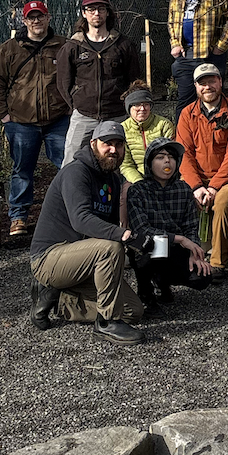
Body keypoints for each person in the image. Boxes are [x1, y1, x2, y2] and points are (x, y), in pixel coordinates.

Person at [29, 120, 146, 344]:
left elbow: (106, 226)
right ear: (93, 144)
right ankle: (106, 323)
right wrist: (123, 235)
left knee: (133, 311)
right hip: (49, 258)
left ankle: (58, 298)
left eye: (118, 144)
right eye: (107, 143)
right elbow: (80, 220)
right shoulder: (76, 172)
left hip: (86, 261)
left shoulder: (113, 180)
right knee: (110, 247)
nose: (113, 150)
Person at [0, 0, 70, 236]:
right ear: (24, 21)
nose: (36, 21)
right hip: (21, 122)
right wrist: (3, 115)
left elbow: (77, 77)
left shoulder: (64, 46)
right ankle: (18, 217)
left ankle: (68, 213)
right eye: (31, 17)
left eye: (40, 16)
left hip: (58, 120)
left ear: (48, 18)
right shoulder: (10, 49)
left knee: (68, 166)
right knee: (22, 171)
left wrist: (71, 107)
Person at [177, 62, 228, 274]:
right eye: (202, 83)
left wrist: (214, 187)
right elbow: (184, 154)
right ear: (196, 86)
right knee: (177, 198)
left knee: (223, 203)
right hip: (196, 178)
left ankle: (217, 263)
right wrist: (196, 186)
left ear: (220, 82)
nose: (207, 87)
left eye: (212, 81)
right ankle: (183, 257)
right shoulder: (187, 114)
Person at [125, 137, 212, 311]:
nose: (167, 161)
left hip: (176, 249)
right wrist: (178, 238)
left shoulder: (184, 189)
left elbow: (191, 226)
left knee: (202, 276)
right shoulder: (137, 190)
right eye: (160, 157)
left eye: (171, 157)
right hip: (150, 246)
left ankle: (162, 283)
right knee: (150, 248)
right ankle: (145, 293)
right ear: (149, 163)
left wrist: (194, 251)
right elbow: (141, 229)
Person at [57, 0, 141, 163]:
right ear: (84, 13)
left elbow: (134, 80)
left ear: (107, 12)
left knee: (119, 161)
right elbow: (63, 82)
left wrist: (126, 106)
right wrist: (76, 104)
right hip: (84, 115)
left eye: (101, 9)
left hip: (116, 115)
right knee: (71, 162)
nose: (96, 13)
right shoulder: (72, 46)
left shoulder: (123, 45)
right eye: (91, 9)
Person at [120, 84, 175, 184]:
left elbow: (172, 156)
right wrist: (139, 182)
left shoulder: (164, 125)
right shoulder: (123, 129)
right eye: (137, 104)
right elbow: (126, 165)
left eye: (146, 104)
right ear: (129, 107)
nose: (142, 108)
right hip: (135, 179)